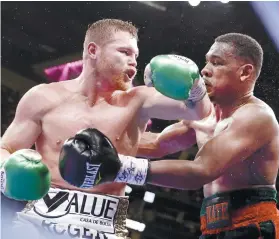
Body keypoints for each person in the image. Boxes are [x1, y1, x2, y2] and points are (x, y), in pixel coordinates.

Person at [0, 19, 212, 239]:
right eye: (125, 52)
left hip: (103, 228)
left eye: (136, 56)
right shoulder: (43, 97)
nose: (134, 62)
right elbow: (5, 147)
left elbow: (198, 112)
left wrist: (195, 85)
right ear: (93, 50)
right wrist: (7, 171)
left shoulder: (138, 100)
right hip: (38, 221)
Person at [66, 33, 279, 238]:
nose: (205, 70)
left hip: (254, 225)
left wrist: (121, 167)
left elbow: (201, 171)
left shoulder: (256, 116)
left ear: (245, 72)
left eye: (217, 62)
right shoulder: (206, 116)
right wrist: (99, 137)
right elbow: (158, 144)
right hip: (212, 227)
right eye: (207, 62)